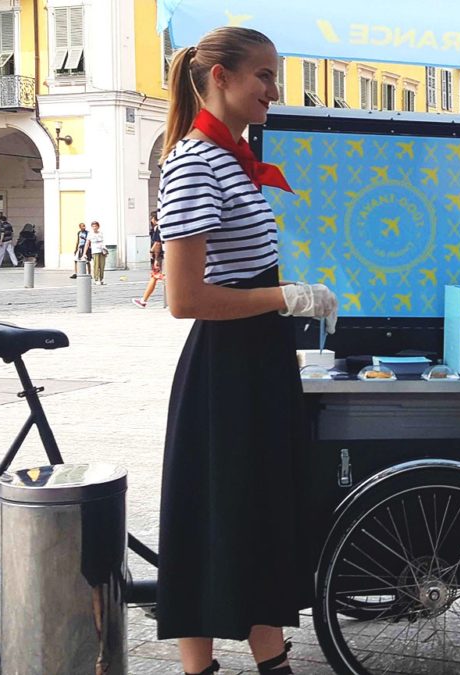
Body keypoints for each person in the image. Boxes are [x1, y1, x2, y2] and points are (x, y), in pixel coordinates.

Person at [155, 26, 338, 675]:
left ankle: (272, 658)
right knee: (215, 512)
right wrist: (283, 297)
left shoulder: (228, 158)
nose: (274, 88)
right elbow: (184, 298)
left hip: (254, 361)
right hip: (226, 366)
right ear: (221, 77)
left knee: (253, 508)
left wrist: (284, 303)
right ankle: (200, 667)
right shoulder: (194, 162)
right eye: (263, 74)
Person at [133, 212, 164, 308]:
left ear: (155, 219)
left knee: (163, 277)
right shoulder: (166, 226)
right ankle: (143, 300)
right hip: (169, 255)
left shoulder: (159, 228)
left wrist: (155, 258)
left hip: (163, 257)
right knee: (155, 276)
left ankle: (144, 301)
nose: (151, 220)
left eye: (152, 218)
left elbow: (158, 243)